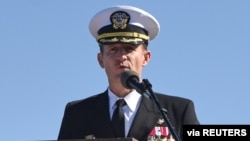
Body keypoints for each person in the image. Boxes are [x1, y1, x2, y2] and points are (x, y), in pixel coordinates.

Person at [57, 5, 199, 141]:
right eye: (113, 49)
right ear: (101, 60)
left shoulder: (178, 111)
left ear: (146, 57)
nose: (121, 56)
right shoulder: (77, 114)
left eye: (129, 48)